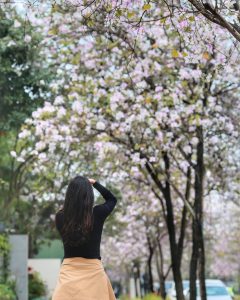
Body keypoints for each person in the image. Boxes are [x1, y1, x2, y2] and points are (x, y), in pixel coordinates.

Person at [52, 175, 118, 300]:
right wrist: (95, 183)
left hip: (69, 273)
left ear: (69, 195)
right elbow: (112, 199)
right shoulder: (97, 214)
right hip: (94, 272)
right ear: (89, 195)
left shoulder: (60, 217)